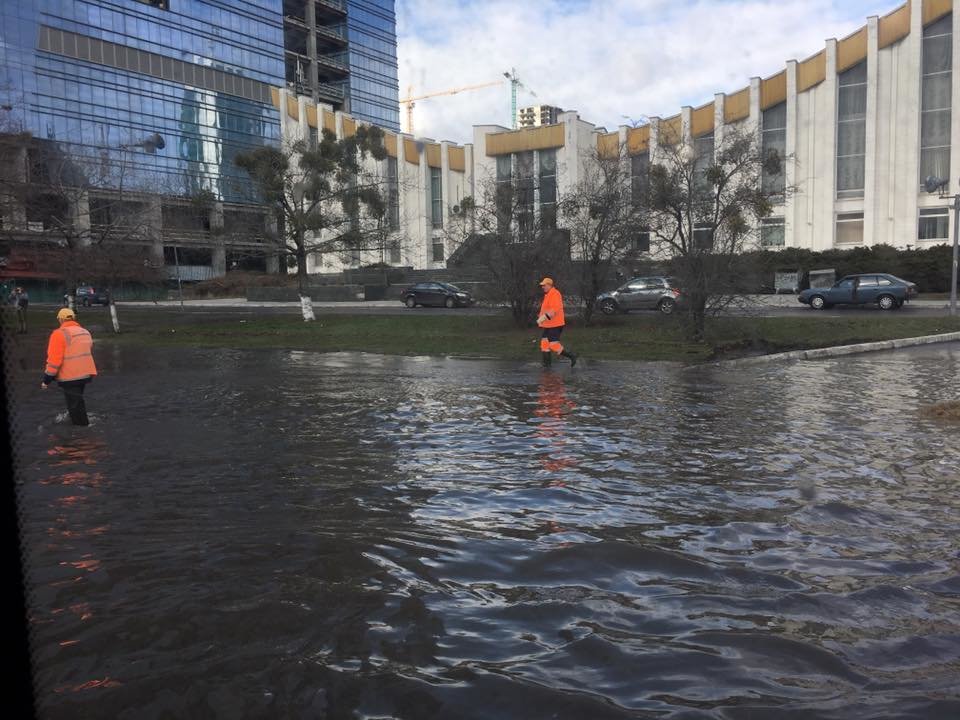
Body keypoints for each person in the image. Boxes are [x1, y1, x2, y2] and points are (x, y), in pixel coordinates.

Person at [41, 308, 97, 426]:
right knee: (78, 401)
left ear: (60, 319)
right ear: (73, 318)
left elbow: (54, 361)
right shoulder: (85, 332)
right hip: (85, 374)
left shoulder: (58, 334)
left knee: (74, 405)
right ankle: (83, 425)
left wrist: (46, 380)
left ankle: (81, 432)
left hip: (70, 376)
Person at [536, 277, 577, 367]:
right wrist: (541, 318)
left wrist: (543, 318)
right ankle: (546, 366)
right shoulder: (548, 294)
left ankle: (572, 356)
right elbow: (546, 309)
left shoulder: (555, 294)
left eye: (544, 285)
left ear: (550, 285)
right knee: (544, 343)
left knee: (553, 345)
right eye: (542, 285)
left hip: (555, 324)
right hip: (549, 324)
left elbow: (554, 309)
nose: (543, 287)